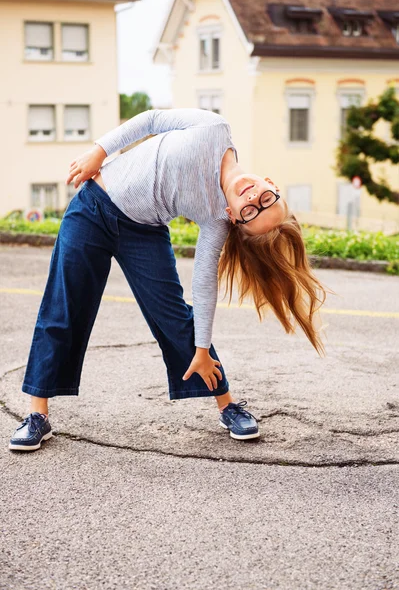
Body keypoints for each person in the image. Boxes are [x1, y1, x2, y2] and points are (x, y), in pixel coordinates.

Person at [9, 108, 327, 451]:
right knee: (63, 306)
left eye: (250, 212)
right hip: (92, 209)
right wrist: (99, 151)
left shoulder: (215, 218)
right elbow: (151, 120)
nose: (252, 199)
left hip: (143, 233)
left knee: (175, 317)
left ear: (234, 217)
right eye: (265, 199)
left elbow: (204, 284)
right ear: (272, 185)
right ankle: (37, 415)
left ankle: (227, 405)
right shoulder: (215, 130)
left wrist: (202, 349)